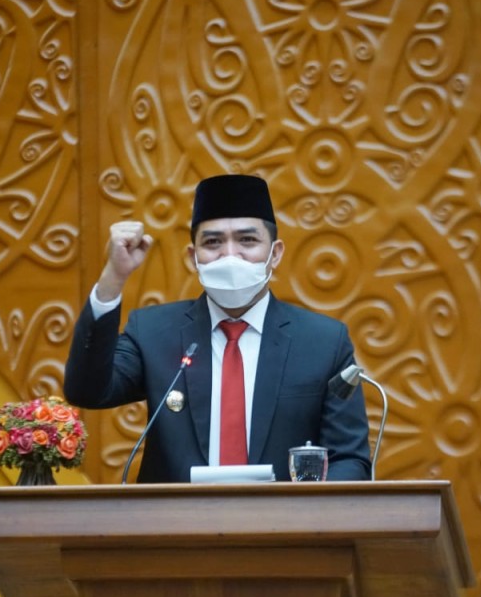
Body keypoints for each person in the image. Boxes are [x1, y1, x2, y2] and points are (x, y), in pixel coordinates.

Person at [64, 174, 371, 482]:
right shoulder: (153, 332)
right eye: (213, 243)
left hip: (286, 513)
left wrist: (305, 508)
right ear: (193, 257)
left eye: (247, 240)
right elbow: (87, 390)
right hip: (175, 512)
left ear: (275, 254)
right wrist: (114, 277)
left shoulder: (323, 342)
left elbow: (349, 458)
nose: (230, 255)